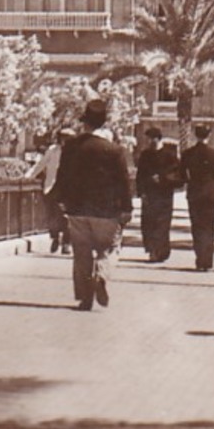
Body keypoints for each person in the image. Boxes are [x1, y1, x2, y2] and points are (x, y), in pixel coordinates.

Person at [52, 97, 133, 311]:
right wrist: (127, 208)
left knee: (81, 252)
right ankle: (102, 275)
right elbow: (124, 181)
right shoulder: (114, 150)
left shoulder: (71, 147)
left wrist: (61, 199)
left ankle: (85, 298)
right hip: (107, 210)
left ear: (84, 122)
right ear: (104, 123)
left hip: (78, 208)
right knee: (111, 247)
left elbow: (62, 175)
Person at [180, 124, 214, 271]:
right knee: (209, 226)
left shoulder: (187, 154)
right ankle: (207, 260)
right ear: (209, 135)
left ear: (195, 135)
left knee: (196, 226)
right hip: (210, 194)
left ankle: (200, 259)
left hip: (194, 193)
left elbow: (182, 174)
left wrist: (189, 182)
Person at [135, 126, 181, 263]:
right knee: (148, 223)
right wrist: (141, 192)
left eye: (151, 139)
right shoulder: (145, 155)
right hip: (149, 195)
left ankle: (161, 251)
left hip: (164, 195)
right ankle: (151, 251)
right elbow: (140, 175)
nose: (149, 142)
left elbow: (178, 175)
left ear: (158, 138)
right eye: (148, 139)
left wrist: (162, 178)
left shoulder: (170, 155)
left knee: (162, 224)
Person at [25, 129, 73, 254]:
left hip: (68, 189)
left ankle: (67, 242)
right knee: (52, 214)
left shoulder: (76, 151)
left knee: (66, 216)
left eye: (68, 138)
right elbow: (41, 164)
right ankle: (55, 238)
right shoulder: (53, 150)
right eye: (63, 137)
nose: (65, 140)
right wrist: (29, 176)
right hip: (52, 187)